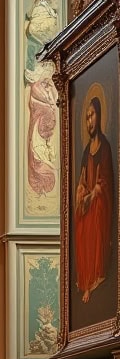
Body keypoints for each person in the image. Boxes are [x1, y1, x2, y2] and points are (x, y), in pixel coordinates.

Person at [74, 93, 115, 303]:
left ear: (99, 116)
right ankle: (85, 280)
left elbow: (105, 181)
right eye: (87, 117)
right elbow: (82, 179)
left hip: (99, 201)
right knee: (80, 219)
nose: (90, 121)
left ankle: (97, 274)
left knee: (97, 209)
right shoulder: (85, 152)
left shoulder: (105, 147)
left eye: (92, 116)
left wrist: (93, 195)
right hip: (88, 201)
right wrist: (82, 192)